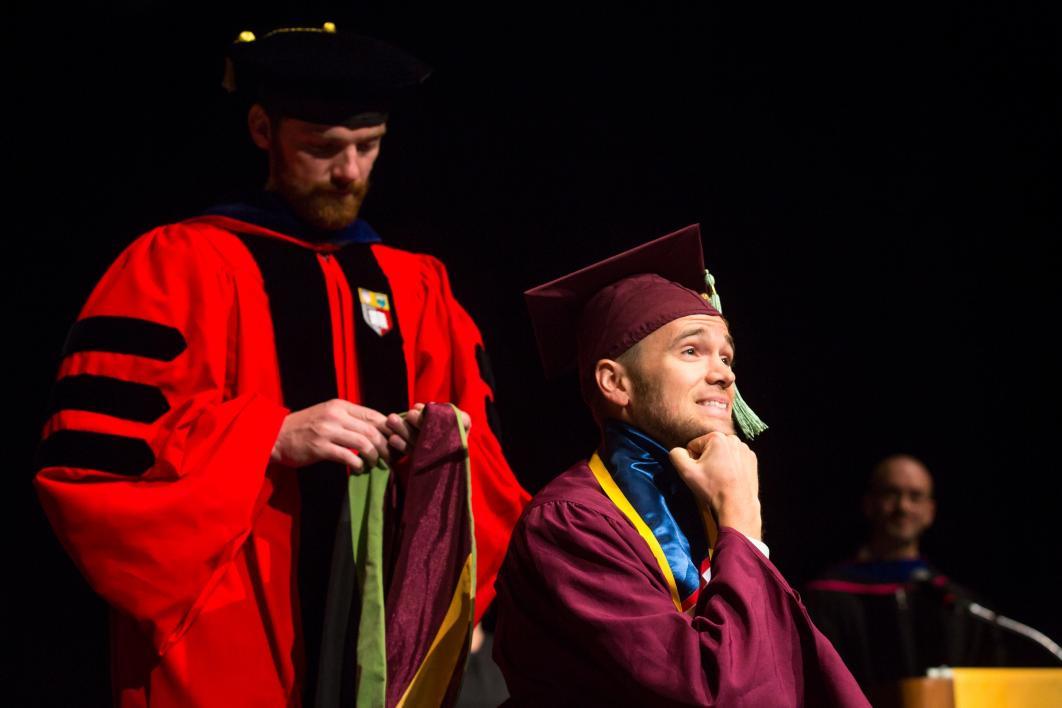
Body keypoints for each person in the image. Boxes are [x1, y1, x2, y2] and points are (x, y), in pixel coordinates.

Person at [34, 24, 528, 706]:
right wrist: (269, 434)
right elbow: (95, 467)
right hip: (226, 630)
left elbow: (487, 468)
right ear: (263, 130)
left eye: (367, 146)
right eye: (323, 148)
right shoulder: (175, 267)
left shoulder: (418, 286)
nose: (349, 170)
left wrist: (433, 442)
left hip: (386, 631)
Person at [493, 225, 868, 706]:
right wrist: (742, 522)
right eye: (692, 351)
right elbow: (714, 692)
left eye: (727, 355)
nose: (724, 372)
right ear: (615, 383)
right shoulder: (572, 525)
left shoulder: (697, 510)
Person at [804, 454, 1053, 694]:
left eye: (915, 496)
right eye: (892, 493)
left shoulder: (957, 604)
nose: (903, 506)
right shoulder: (828, 599)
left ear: (929, 511)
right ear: (869, 504)